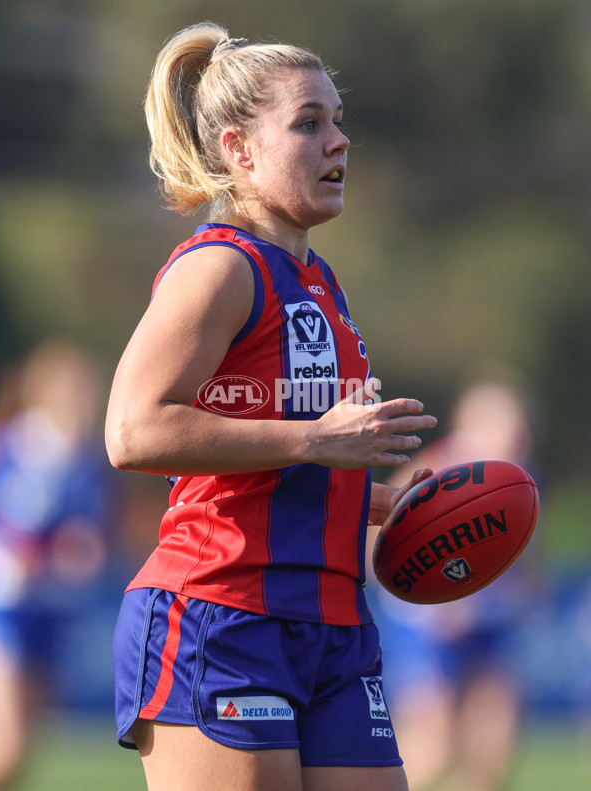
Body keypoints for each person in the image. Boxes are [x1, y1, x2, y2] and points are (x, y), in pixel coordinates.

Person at [105, 22, 437, 791]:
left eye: (339, 120)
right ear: (239, 150)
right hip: (221, 613)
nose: (339, 141)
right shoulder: (220, 267)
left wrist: (387, 501)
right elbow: (133, 429)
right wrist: (315, 439)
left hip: (334, 625)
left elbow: (285, 468)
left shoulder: (321, 282)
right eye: (309, 123)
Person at [366, 376, 541, 791]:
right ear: (472, 427)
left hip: (490, 623)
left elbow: (528, 557)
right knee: (434, 743)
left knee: (495, 746)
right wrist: (438, 602)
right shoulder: (440, 472)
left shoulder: (524, 478)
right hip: (427, 628)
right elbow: (382, 545)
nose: (519, 439)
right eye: (508, 428)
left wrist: (528, 590)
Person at [0, 339, 111, 788]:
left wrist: (80, 553)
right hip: (4, 609)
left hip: (53, 612)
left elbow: (92, 537)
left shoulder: (89, 462)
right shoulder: (8, 448)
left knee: (20, 755)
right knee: (9, 746)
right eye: (76, 392)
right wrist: (17, 554)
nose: (85, 403)